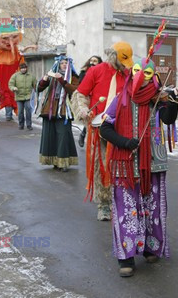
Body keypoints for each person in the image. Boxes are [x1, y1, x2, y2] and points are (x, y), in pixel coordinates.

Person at [100, 58, 178, 277]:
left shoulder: (158, 99)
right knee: (127, 210)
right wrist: (124, 142)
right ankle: (125, 257)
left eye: (147, 73)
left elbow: (168, 118)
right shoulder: (121, 98)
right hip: (125, 164)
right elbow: (104, 129)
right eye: (137, 71)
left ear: (153, 76)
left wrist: (173, 101)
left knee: (150, 208)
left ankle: (149, 248)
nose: (141, 76)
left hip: (152, 162)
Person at [71, 42, 133, 221]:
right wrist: (83, 110)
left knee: (122, 166)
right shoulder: (96, 71)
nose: (124, 66)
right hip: (99, 128)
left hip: (122, 128)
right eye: (122, 62)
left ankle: (122, 201)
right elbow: (80, 94)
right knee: (102, 166)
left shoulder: (129, 73)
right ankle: (104, 203)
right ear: (113, 57)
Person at [36, 56, 79, 172]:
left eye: (66, 63)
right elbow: (39, 88)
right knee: (51, 136)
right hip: (49, 110)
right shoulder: (52, 75)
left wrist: (62, 80)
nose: (64, 65)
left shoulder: (73, 77)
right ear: (58, 64)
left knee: (63, 135)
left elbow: (73, 91)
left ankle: (64, 162)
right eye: (62, 63)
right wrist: (44, 79)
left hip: (64, 111)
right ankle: (54, 161)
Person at [77, 55, 103, 147]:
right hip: (87, 98)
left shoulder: (101, 72)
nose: (92, 62)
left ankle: (85, 135)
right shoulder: (84, 72)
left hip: (96, 98)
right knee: (88, 117)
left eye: (95, 61)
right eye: (91, 60)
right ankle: (84, 135)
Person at [9, 63, 37, 130]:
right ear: (20, 69)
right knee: (20, 112)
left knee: (28, 111)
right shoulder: (15, 76)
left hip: (28, 96)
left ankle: (29, 125)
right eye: (22, 68)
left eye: (24, 68)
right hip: (19, 97)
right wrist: (13, 88)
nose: (23, 69)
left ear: (26, 68)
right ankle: (21, 125)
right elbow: (10, 84)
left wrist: (37, 91)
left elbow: (35, 85)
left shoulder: (31, 76)